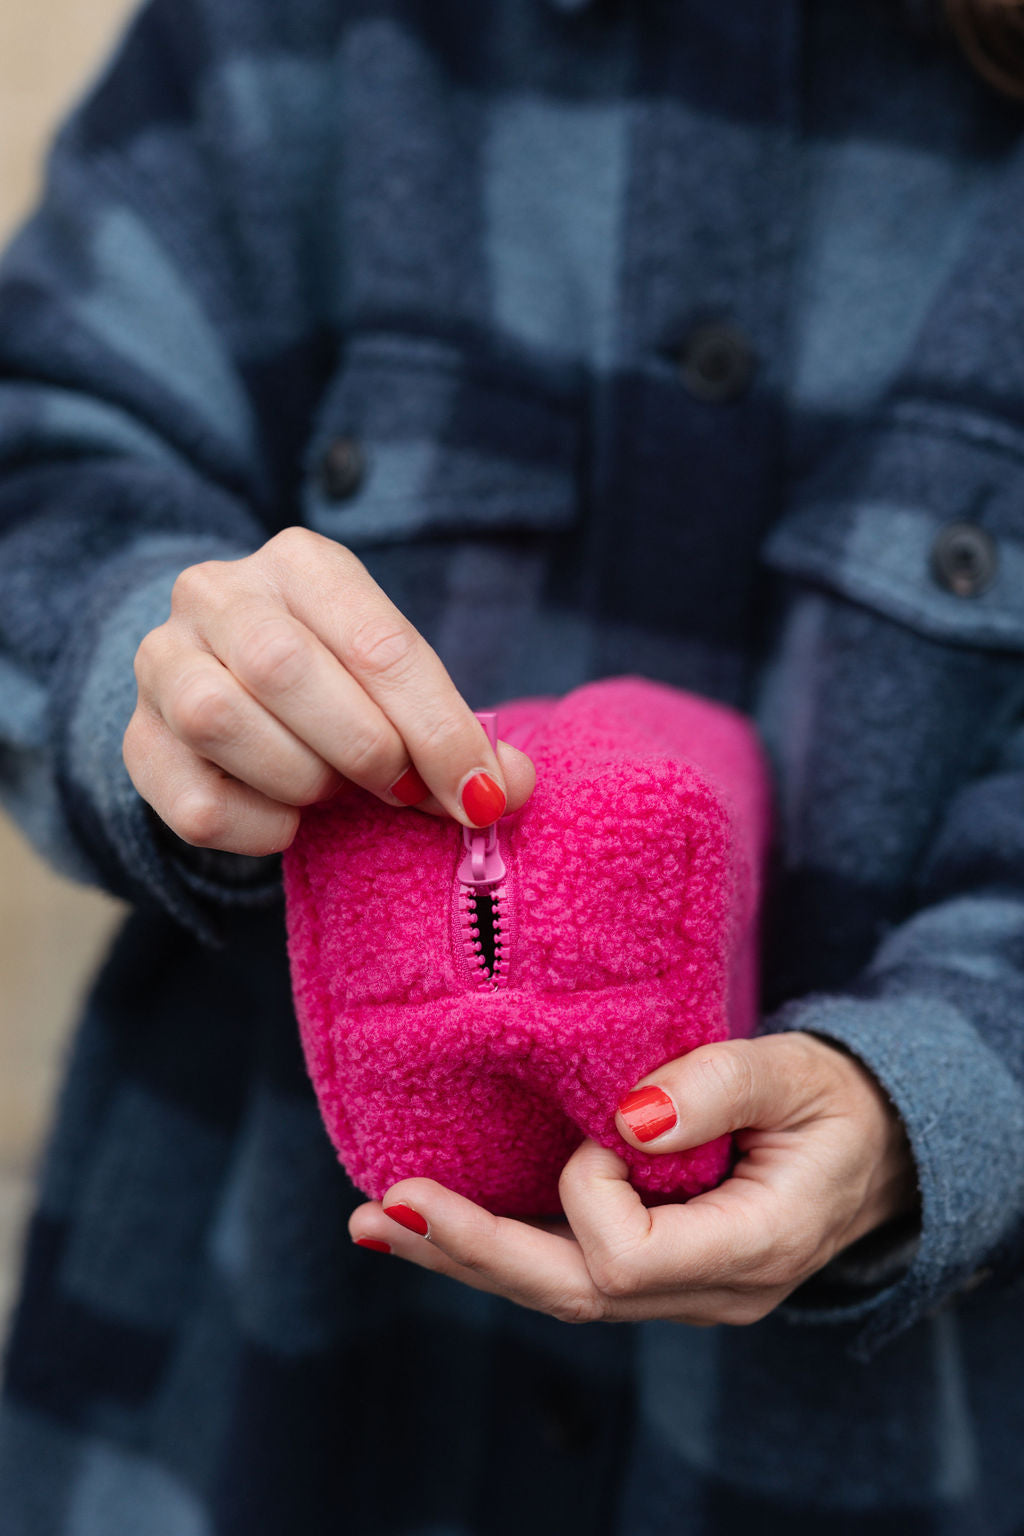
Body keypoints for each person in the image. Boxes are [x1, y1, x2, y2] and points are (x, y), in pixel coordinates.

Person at [1, 0, 1023, 1531]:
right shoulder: (283, 37)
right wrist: (163, 672)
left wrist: (930, 1106)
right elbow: (48, 447)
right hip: (240, 1402)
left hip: (891, 1449)